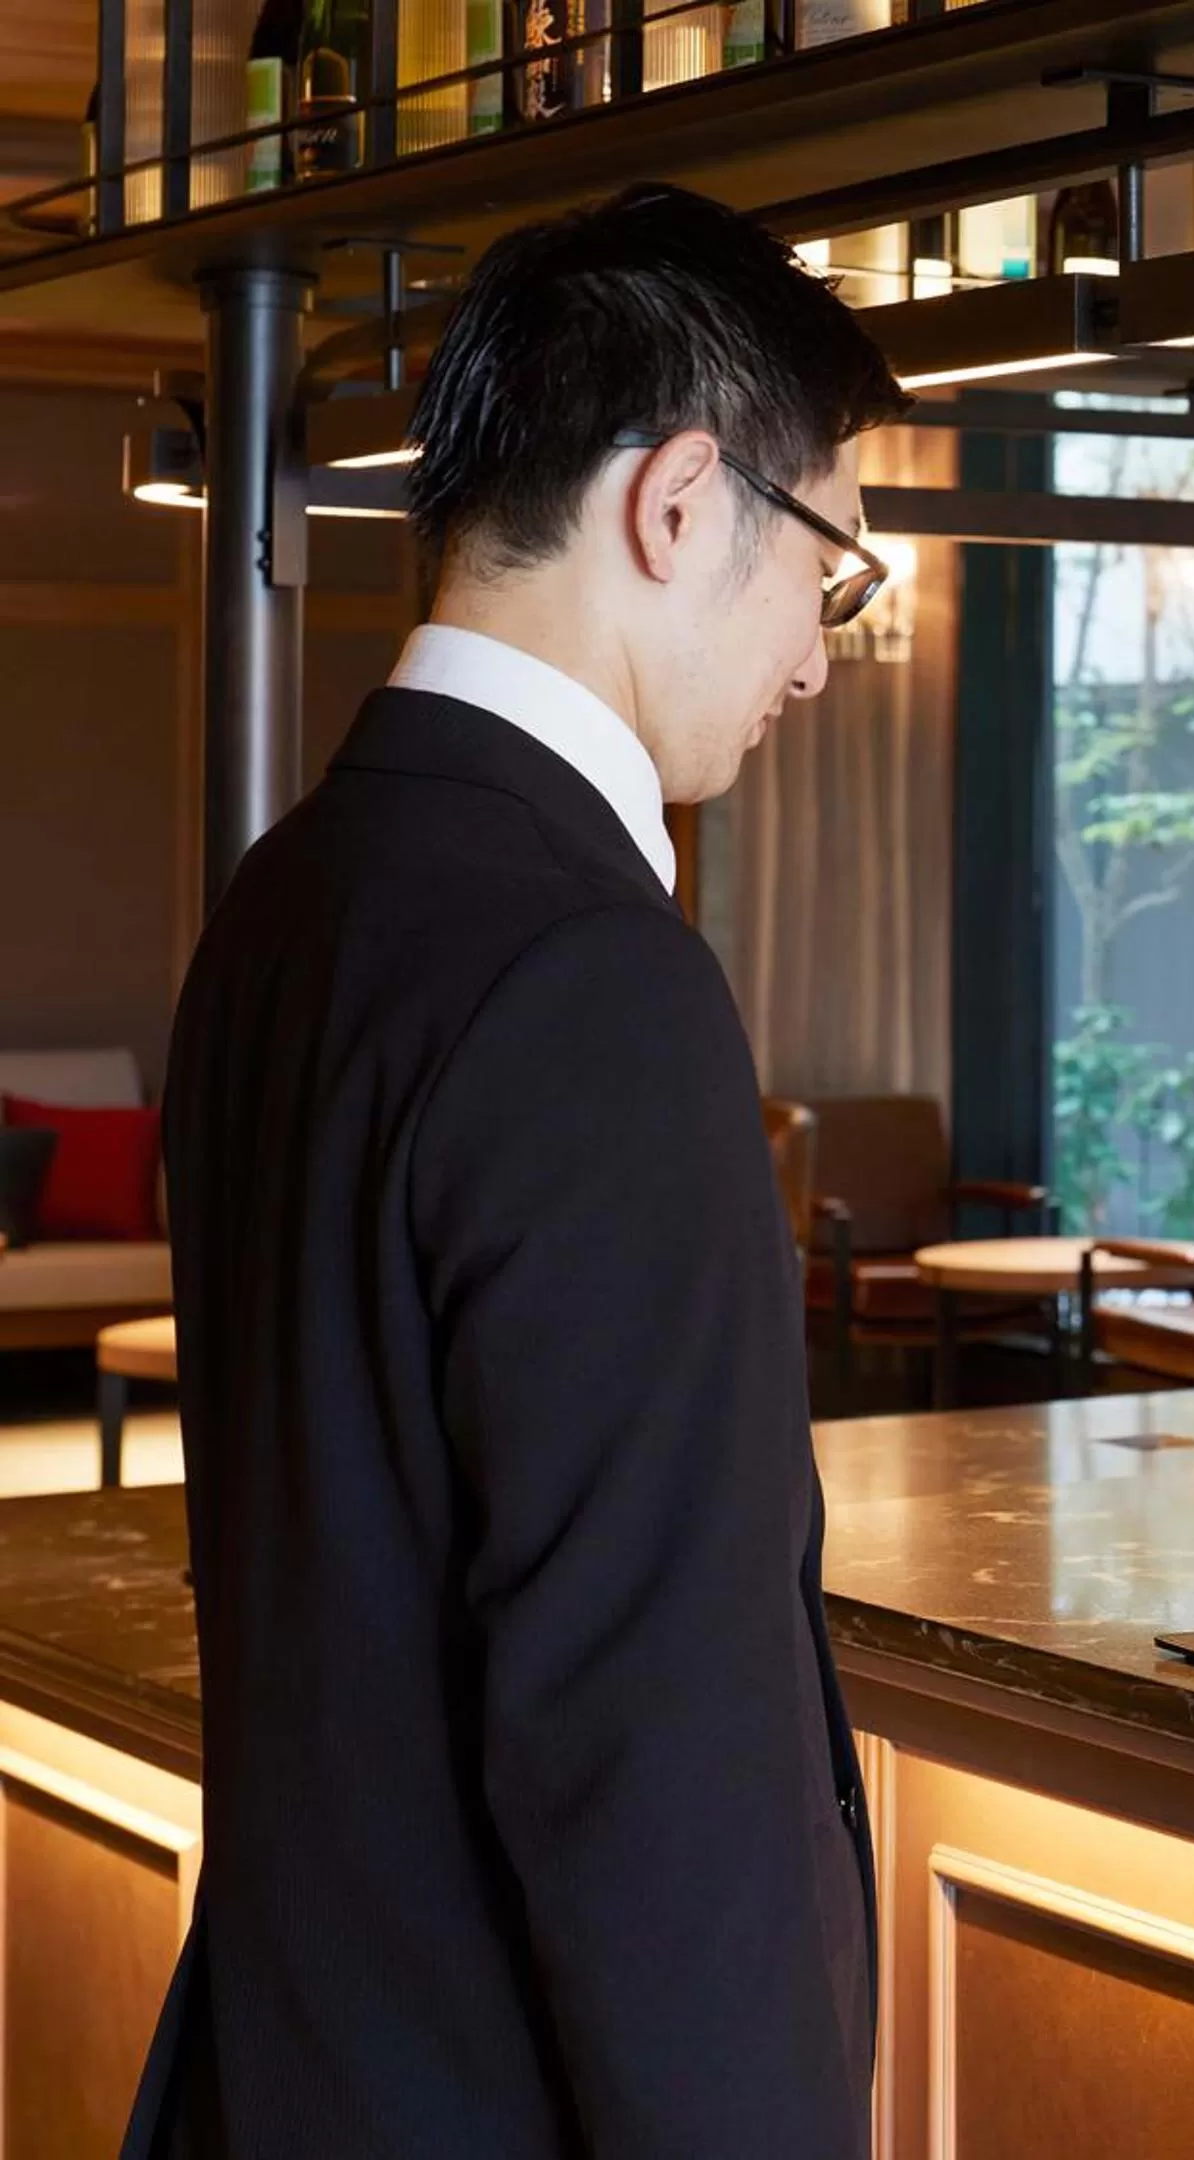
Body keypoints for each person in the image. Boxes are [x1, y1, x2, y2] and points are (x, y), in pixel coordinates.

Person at [124, 185, 909, 2157]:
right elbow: (656, 1745)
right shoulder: (588, 978)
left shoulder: (294, 901)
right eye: (828, 563)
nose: (819, 658)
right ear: (678, 504)